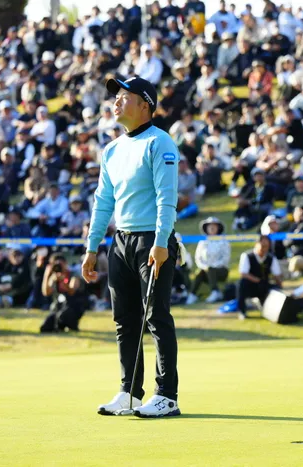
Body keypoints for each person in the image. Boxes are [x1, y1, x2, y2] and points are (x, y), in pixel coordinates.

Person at [83, 76, 181, 417]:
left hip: (152, 241)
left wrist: (161, 242)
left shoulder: (160, 142)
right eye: (116, 97)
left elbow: (167, 197)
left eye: (125, 96)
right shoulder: (112, 150)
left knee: (156, 317)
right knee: (125, 320)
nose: (116, 101)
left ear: (145, 105)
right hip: (121, 241)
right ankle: (130, 393)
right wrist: (92, 247)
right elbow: (103, 202)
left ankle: (166, 395)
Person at [236, 235, 282, 320]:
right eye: (262, 246)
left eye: (266, 246)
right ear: (256, 244)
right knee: (241, 284)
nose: (264, 248)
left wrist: (280, 287)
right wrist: (257, 280)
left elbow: (277, 275)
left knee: (276, 289)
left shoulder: (271, 258)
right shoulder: (247, 256)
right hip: (250, 285)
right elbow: (243, 273)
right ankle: (242, 311)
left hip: (264, 285)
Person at [187, 217, 231, 304]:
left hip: (221, 270)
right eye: (209, 226)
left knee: (211, 269)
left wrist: (212, 266)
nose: (212, 228)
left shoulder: (224, 241)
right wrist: (205, 267)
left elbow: (225, 258)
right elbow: (198, 258)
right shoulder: (202, 242)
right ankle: (192, 294)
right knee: (199, 272)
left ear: (218, 228)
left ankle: (215, 292)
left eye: (214, 226)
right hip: (205, 270)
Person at [41, 254, 88, 333]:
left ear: (65, 264)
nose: (58, 267)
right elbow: (46, 293)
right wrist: (47, 275)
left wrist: (63, 281)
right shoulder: (54, 277)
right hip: (59, 307)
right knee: (45, 326)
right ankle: (60, 326)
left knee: (63, 315)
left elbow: (72, 292)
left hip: (73, 307)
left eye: (60, 264)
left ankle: (72, 325)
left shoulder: (73, 274)